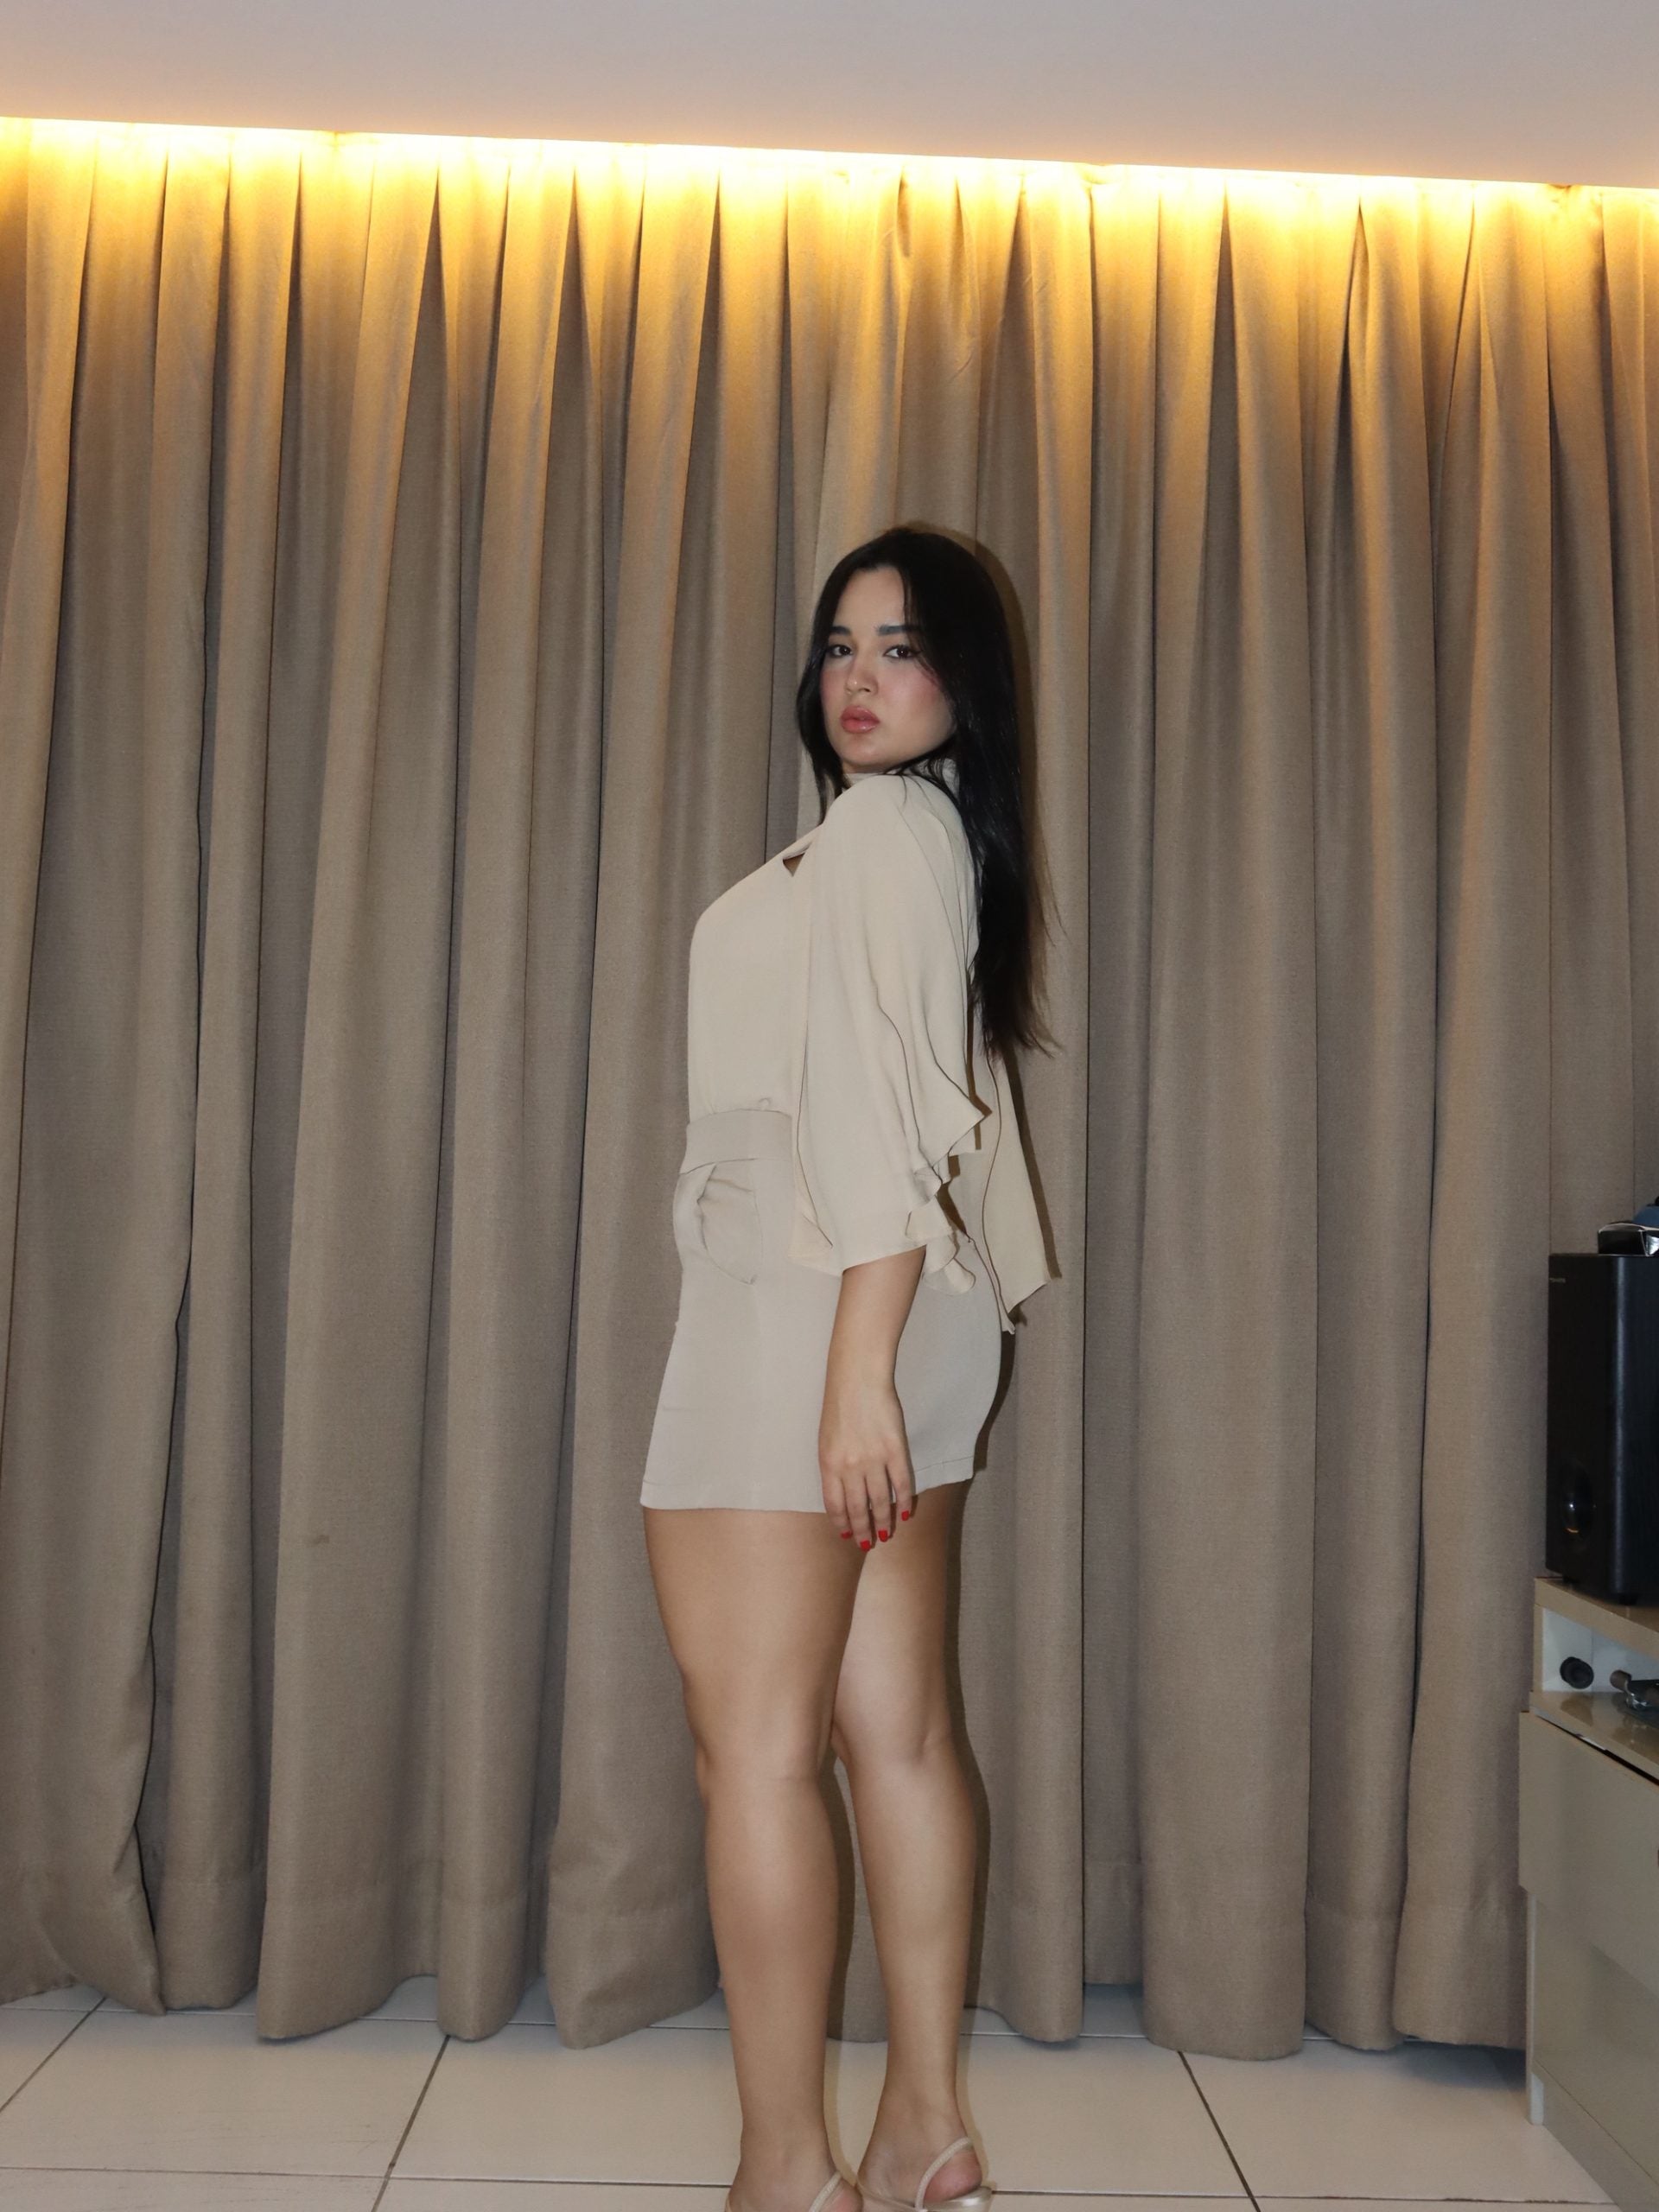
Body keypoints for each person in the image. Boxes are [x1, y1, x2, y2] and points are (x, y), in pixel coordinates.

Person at [639, 525, 1056, 2212]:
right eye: (840, 646)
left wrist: (853, 1370)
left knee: (754, 1744)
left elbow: (875, 1113)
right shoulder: (931, 835)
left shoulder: (884, 832)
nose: (860, 679)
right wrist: (890, 1353)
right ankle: (920, 2128)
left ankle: (782, 2170)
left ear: (965, 682)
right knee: (895, 1726)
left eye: (901, 646)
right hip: (896, 1298)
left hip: (813, 1301)